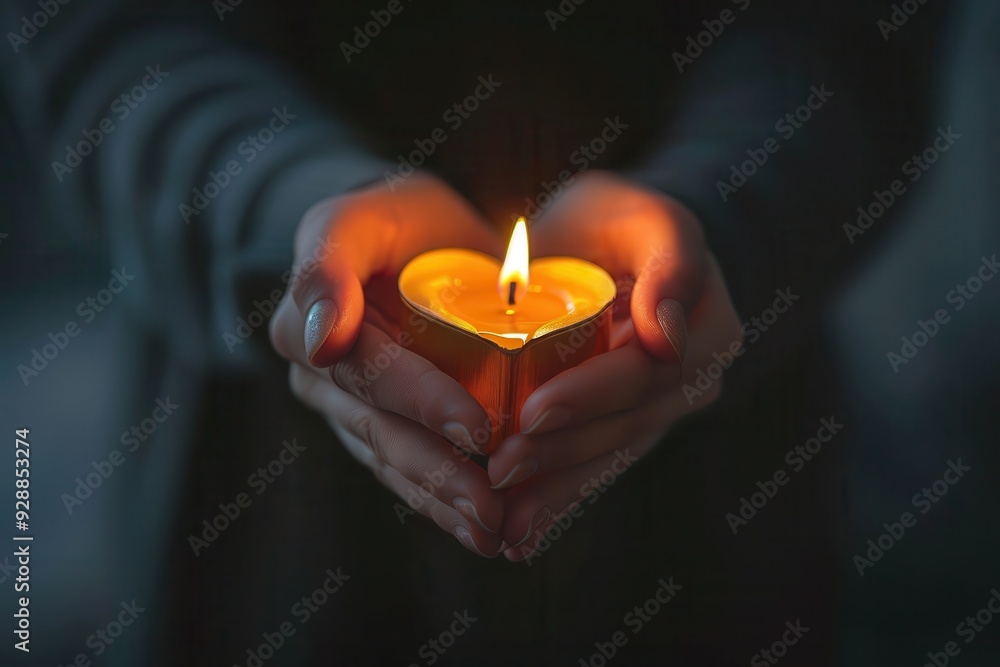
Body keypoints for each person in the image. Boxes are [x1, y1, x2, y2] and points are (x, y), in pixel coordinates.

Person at [1, 0, 946, 663]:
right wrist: (277, 207)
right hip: (266, 504)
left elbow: (853, 35)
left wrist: (727, 210)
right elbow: (101, 43)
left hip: (710, 509)